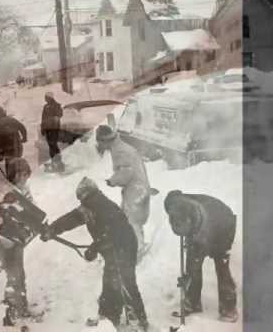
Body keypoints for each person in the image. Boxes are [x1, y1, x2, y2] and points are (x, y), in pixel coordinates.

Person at [41, 177, 148, 330]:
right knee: (110, 279)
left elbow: (113, 232)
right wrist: (53, 229)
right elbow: (73, 218)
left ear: (87, 194)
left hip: (123, 246)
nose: (81, 202)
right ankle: (109, 316)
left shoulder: (101, 205)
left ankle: (139, 321)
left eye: (81, 197)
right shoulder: (90, 205)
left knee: (126, 282)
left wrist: (94, 248)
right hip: (113, 246)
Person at [164, 190, 238, 323]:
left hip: (224, 225)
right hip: (204, 219)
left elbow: (199, 245)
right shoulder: (177, 204)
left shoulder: (203, 227)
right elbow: (174, 196)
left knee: (221, 265)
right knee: (192, 264)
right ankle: (193, 302)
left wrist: (188, 277)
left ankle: (229, 308)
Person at [0, 157, 35, 326]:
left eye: (26, 174)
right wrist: (4, 242)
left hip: (17, 238)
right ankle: (11, 315)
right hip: (5, 240)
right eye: (22, 175)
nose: (25, 178)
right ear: (14, 175)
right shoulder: (6, 194)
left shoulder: (25, 191)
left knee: (16, 273)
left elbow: (32, 211)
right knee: (15, 275)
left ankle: (19, 305)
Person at [96, 124, 151, 253]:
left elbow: (126, 171)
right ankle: (140, 244)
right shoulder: (121, 147)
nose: (100, 145)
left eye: (100, 142)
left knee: (131, 219)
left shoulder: (119, 150)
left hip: (136, 189)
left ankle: (137, 249)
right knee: (134, 218)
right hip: (139, 187)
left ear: (105, 140)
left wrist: (113, 180)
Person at [0, 105, 27, 178]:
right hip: (17, 146)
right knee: (17, 163)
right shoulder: (12, 119)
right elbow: (22, 128)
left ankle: (12, 180)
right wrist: (24, 138)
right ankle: (18, 179)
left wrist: (1, 155)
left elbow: (0, 141)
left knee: (9, 165)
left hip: (8, 149)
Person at [41, 91, 65, 172]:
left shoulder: (57, 105)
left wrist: (54, 116)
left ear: (50, 98)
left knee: (53, 145)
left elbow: (60, 115)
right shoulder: (45, 106)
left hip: (54, 128)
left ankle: (59, 164)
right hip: (48, 128)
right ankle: (55, 162)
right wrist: (42, 128)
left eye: (46, 97)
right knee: (51, 146)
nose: (45, 99)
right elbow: (43, 118)